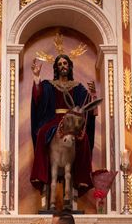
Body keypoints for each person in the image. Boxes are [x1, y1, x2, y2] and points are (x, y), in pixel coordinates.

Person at [30, 54, 97, 203]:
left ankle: (81, 178)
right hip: (54, 119)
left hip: (73, 121)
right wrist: (36, 76)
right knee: (41, 133)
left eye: (65, 63)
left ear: (70, 66)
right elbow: (38, 97)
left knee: (84, 138)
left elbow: (89, 107)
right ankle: (40, 174)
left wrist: (93, 94)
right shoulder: (49, 85)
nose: (62, 66)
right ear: (56, 68)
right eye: (59, 64)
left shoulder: (78, 87)